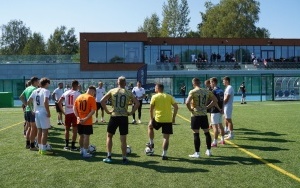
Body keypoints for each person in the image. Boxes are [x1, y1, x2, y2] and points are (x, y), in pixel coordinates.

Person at [100, 76, 139, 164]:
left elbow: (102, 101)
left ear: (117, 83)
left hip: (114, 116)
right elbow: (137, 103)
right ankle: (124, 158)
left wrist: (107, 111)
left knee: (109, 136)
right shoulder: (128, 92)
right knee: (123, 138)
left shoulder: (112, 91)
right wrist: (131, 112)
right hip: (124, 117)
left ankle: (109, 156)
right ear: (125, 83)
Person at [185, 78, 217, 158]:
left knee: (196, 133)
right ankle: (209, 150)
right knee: (206, 132)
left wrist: (190, 109)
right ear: (200, 83)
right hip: (204, 114)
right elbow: (215, 100)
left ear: (193, 84)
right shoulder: (207, 91)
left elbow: (187, 102)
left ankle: (197, 153)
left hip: (195, 115)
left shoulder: (193, 91)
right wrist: (207, 107)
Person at [146, 83, 178, 160]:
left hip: (158, 119)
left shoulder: (154, 96)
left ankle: (151, 143)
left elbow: (151, 109)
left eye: (155, 88)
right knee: (166, 138)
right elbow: (176, 107)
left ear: (158, 88)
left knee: (150, 126)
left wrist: (151, 119)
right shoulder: (169, 96)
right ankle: (164, 154)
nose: (154, 89)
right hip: (168, 120)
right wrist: (173, 118)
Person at [28, 77, 53, 155]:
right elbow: (46, 102)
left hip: (37, 112)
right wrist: (48, 112)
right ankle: (43, 149)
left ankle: (40, 149)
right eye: (48, 84)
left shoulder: (35, 91)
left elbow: (29, 101)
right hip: (43, 112)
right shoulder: (46, 91)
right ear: (46, 84)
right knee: (45, 131)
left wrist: (32, 110)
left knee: (39, 130)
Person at [73, 85, 97, 158]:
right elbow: (93, 111)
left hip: (79, 120)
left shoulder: (79, 96)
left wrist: (77, 117)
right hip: (87, 121)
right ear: (92, 91)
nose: (94, 94)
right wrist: (86, 118)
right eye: (94, 93)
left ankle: (81, 150)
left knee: (81, 135)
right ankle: (85, 152)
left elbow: (74, 108)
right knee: (86, 136)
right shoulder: (91, 98)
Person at [58, 80, 81, 150]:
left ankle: (66, 145)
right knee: (75, 130)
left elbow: (59, 102)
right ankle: (73, 146)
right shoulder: (78, 94)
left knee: (67, 129)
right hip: (75, 113)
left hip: (67, 113)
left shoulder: (66, 92)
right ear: (77, 85)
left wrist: (63, 111)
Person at [19, 76, 39, 150]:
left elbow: (21, 97)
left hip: (27, 110)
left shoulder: (27, 88)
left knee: (29, 128)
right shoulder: (35, 89)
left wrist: (25, 105)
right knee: (34, 128)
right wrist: (30, 108)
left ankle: (28, 144)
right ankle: (32, 145)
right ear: (34, 82)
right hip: (32, 111)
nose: (39, 82)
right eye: (38, 81)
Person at [209, 77, 226, 146]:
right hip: (221, 110)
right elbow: (223, 100)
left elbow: (214, 102)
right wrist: (222, 109)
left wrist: (219, 109)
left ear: (213, 82)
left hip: (215, 110)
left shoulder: (214, 91)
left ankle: (215, 142)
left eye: (210, 83)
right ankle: (222, 140)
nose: (210, 84)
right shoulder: (221, 90)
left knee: (215, 126)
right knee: (220, 125)